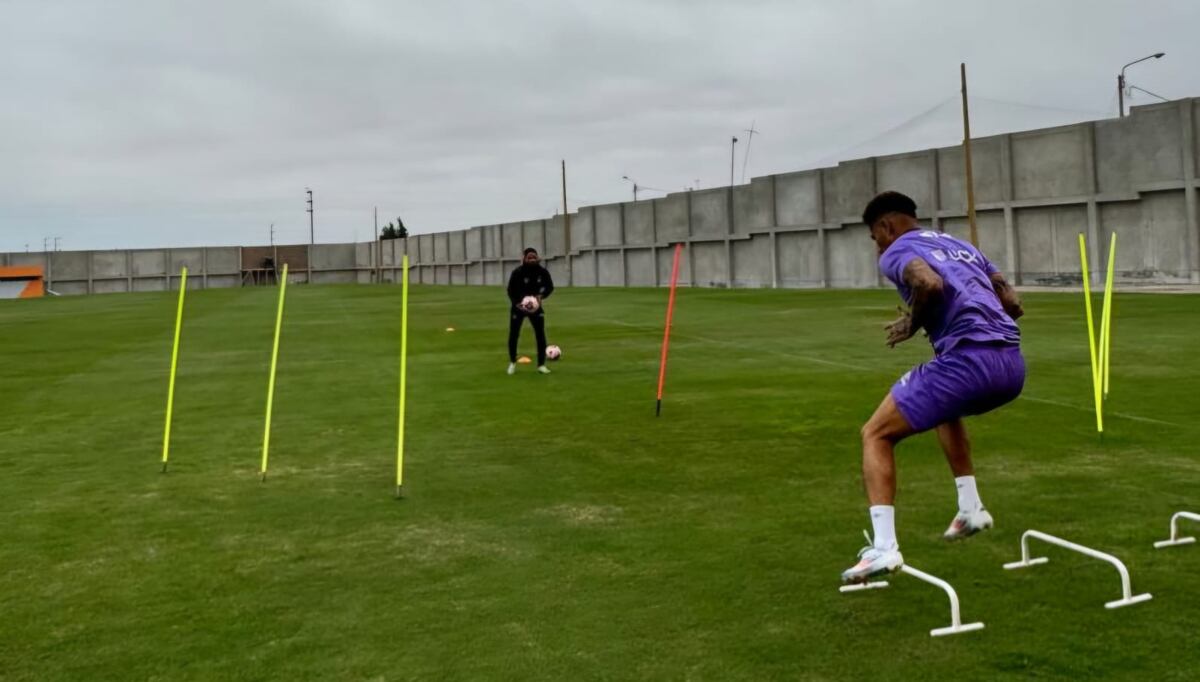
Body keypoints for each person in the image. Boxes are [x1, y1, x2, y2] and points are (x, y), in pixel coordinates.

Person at [841, 191, 1026, 585]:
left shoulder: (898, 250)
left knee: (875, 434)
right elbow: (1012, 303)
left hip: (968, 363)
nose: (878, 249)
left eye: (875, 239)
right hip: (1012, 364)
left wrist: (914, 322)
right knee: (945, 408)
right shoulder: (963, 247)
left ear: (886, 227)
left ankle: (884, 548)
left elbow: (929, 283)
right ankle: (971, 508)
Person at [506, 247, 555, 375]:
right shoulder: (517, 272)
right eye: (529, 257)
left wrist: (541, 296)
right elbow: (510, 290)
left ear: (537, 258)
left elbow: (550, 287)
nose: (532, 259)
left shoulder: (542, 272)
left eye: (534, 257)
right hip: (518, 308)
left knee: (540, 334)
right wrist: (518, 303)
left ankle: (541, 365)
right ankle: (512, 363)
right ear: (524, 258)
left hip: (536, 308)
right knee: (514, 334)